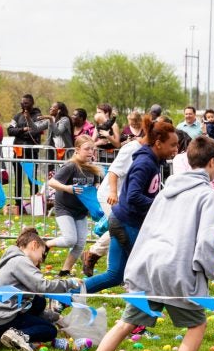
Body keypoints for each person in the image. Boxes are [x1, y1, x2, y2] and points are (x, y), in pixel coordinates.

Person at [76, 135, 214, 351]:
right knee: (197, 325)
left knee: (126, 323)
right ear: (212, 162)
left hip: (150, 267)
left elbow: (148, 229)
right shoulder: (207, 195)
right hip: (179, 271)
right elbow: (207, 240)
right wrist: (210, 270)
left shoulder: (166, 191)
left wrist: (137, 264)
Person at [84, 117, 178, 294]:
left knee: (115, 276)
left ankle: (68, 293)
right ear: (158, 143)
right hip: (126, 223)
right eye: (172, 145)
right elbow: (133, 196)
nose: (176, 149)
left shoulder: (153, 162)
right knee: (146, 269)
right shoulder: (144, 164)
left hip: (124, 221)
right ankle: (138, 314)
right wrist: (158, 205)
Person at [0, 227, 88, 351]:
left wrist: (57, 318)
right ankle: (16, 337)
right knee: (49, 330)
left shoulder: (14, 260)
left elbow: (33, 302)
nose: (39, 261)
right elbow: (43, 286)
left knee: (38, 301)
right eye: (41, 255)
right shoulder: (20, 261)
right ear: (34, 245)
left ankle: (9, 338)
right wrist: (69, 283)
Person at [81, 122, 147, 277]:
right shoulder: (131, 148)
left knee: (123, 229)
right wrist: (113, 192)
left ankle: (117, 268)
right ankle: (94, 255)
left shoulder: (147, 150)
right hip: (110, 195)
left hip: (125, 196)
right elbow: (113, 170)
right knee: (120, 227)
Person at [44, 135, 102, 276]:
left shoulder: (92, 168)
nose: (90, 152)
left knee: (80, 243)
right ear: (77, 150)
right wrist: (68, 188)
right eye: (87, 149)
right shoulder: (71, 166)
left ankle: (65, 271)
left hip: (81, 210)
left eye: (92, 149)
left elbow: (96, 185)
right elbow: (51, 183)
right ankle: (46, 244)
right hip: (65, 208)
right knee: (70, 239)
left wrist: (99, 187)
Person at [7, 94, 49, 208]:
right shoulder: (17, 116)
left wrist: (22, 133)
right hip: (18, 152)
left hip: (31, 152)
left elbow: (35, 132)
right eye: (22, 102)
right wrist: (23, 129)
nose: (23, 104)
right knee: (18, 179)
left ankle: (35, 205)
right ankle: (18, 204)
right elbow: (9, 130)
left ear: (32, 103)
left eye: (26, 103)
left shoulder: (38, 116)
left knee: (32, 179)